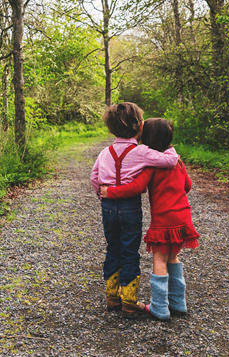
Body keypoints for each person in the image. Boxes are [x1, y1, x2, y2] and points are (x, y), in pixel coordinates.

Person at [101, 118, 199, 321]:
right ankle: (178, 303)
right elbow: (187, 186)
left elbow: (136, 187)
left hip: (164, 220)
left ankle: (159, 307)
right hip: (183, 217)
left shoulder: (152, 166)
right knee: (173, 258)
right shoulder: (177, 161)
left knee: (159, 259)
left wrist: (111, 192)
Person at [91, 103, 180, 318]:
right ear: (139, 126)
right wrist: (171, 148)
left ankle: (112, 296)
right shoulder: (142, 151)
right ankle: (129, 301)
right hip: (130, 207)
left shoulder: (105, 152)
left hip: (108, 207)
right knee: (129, 251)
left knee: (113, 248)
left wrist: (102, 194)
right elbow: (170, 161)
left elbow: (94, 178)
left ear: (110, 129)